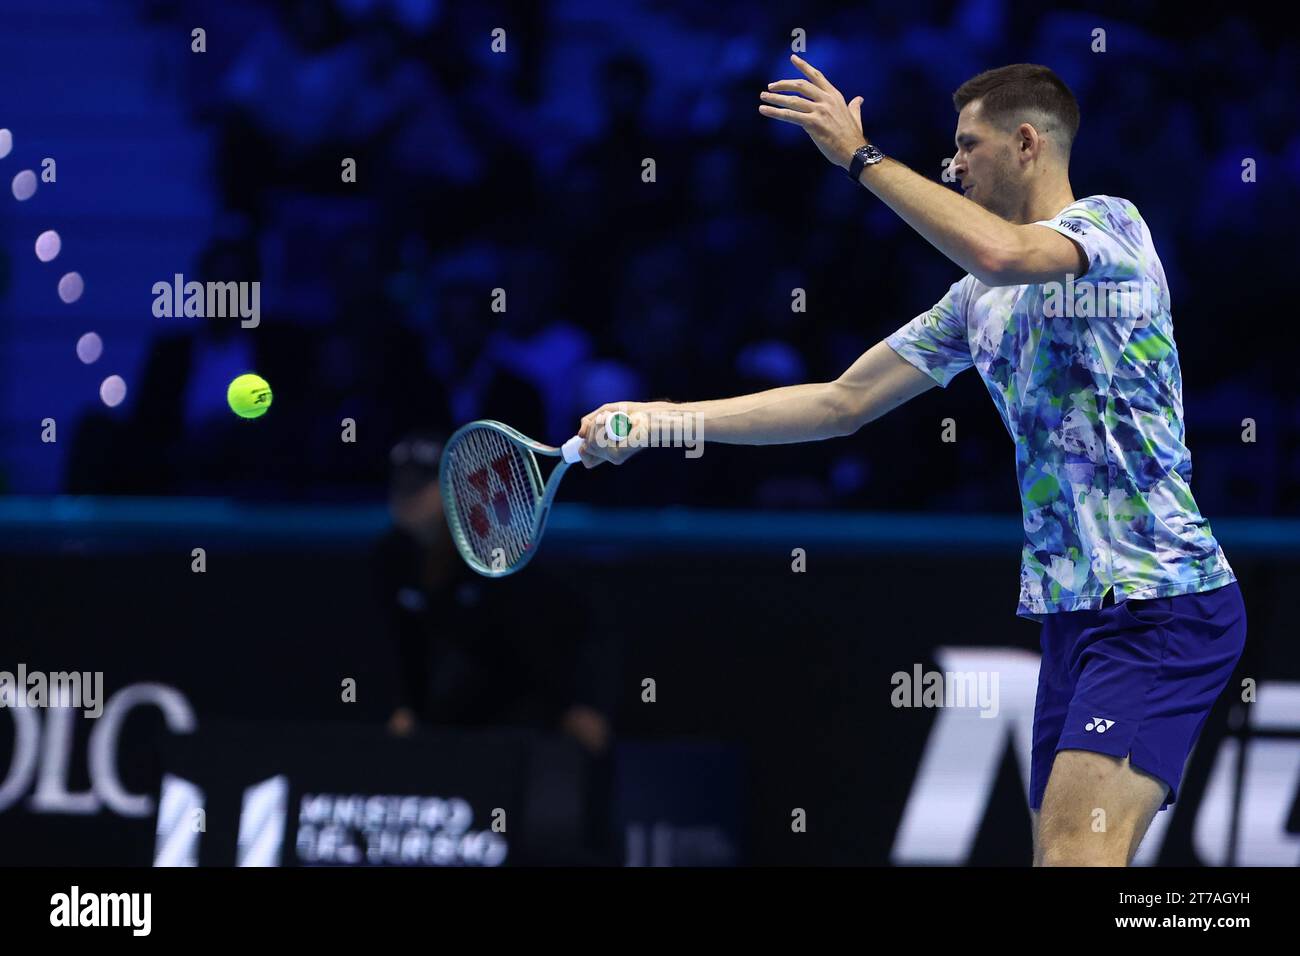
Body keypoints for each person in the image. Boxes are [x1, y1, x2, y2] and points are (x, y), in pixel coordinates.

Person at [576, 56, 1245, 867]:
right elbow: (841, 402)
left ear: (1027, 143)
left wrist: (860, 157)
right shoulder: (976, 300)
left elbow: (1002, 251)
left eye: (967, 145)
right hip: (1076, 616)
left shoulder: (1111, 228)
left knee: (1077, 856)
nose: (954, 164)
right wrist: (664, 420)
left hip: (1159, 600)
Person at [373, 432, 615, 757]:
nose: (406, 495)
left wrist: (576, 706)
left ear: (454, 488)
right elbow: (402, 644)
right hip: (465, 704)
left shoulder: (498, 550)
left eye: (421, 483)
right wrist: (406, 707)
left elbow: (546, 640)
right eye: (401, 484)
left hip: (537, 696)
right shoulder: (390, 557)